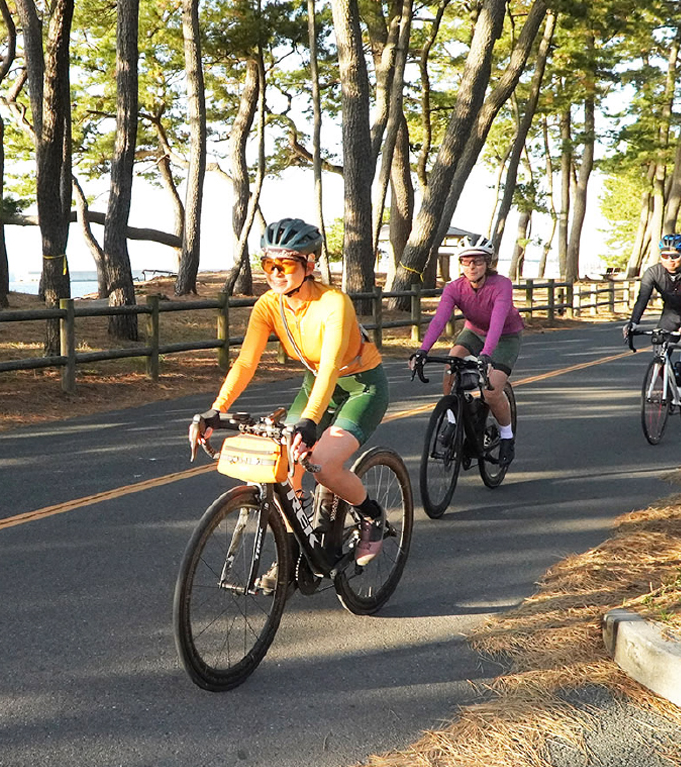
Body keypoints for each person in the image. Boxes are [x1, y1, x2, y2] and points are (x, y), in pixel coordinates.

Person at [191, 218, 390, 567]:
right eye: (268, 265)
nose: (275, 273)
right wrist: (215, 410)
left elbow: (330, 366)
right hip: (315, 384)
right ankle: (296, 551)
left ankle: (372, 516)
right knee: (283, 465)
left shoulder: (333, 303)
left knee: (324, 466)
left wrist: (309, 421)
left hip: (361, 386)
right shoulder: (269, 305)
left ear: (309, 265)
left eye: (284, 265)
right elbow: (245, 363)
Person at [408, 237, 523, 466]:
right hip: (473, 332)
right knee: (452, 363)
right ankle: (453, 418)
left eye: (478, 262)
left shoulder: (501, 285)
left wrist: (487, 354)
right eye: (466, 261)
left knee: (491, 391)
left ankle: (507, 437)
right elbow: (440, 319)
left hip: (505, 337)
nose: (472, 267)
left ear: (488, 263)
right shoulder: (455, 288)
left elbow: (498, 321)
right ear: (460, 264)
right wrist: (422, 350)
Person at [623, 233, 681, 398]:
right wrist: (633, 323)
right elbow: (642, 299)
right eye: (665, 256)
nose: (670, 260)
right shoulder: (653, 272)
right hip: (672, 311)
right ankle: (669, 386)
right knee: (659, 344)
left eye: (675, 256)